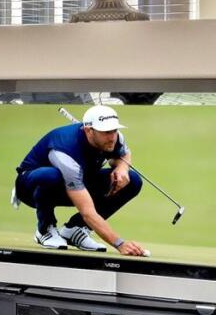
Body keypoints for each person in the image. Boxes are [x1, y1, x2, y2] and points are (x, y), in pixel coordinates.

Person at [13, 103, 147, 256]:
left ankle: (75, 230)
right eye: (106, 132)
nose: (112, 137)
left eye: (114, 130)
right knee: (51, 176)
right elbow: (87, 211)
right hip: (31, 186)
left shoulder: (114, 139)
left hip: (76, 179)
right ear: (89, 130)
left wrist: (122, 168)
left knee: (133, 180)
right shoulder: (66, 153)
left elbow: (124, 154)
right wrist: (120, 244)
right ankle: (45, 229)